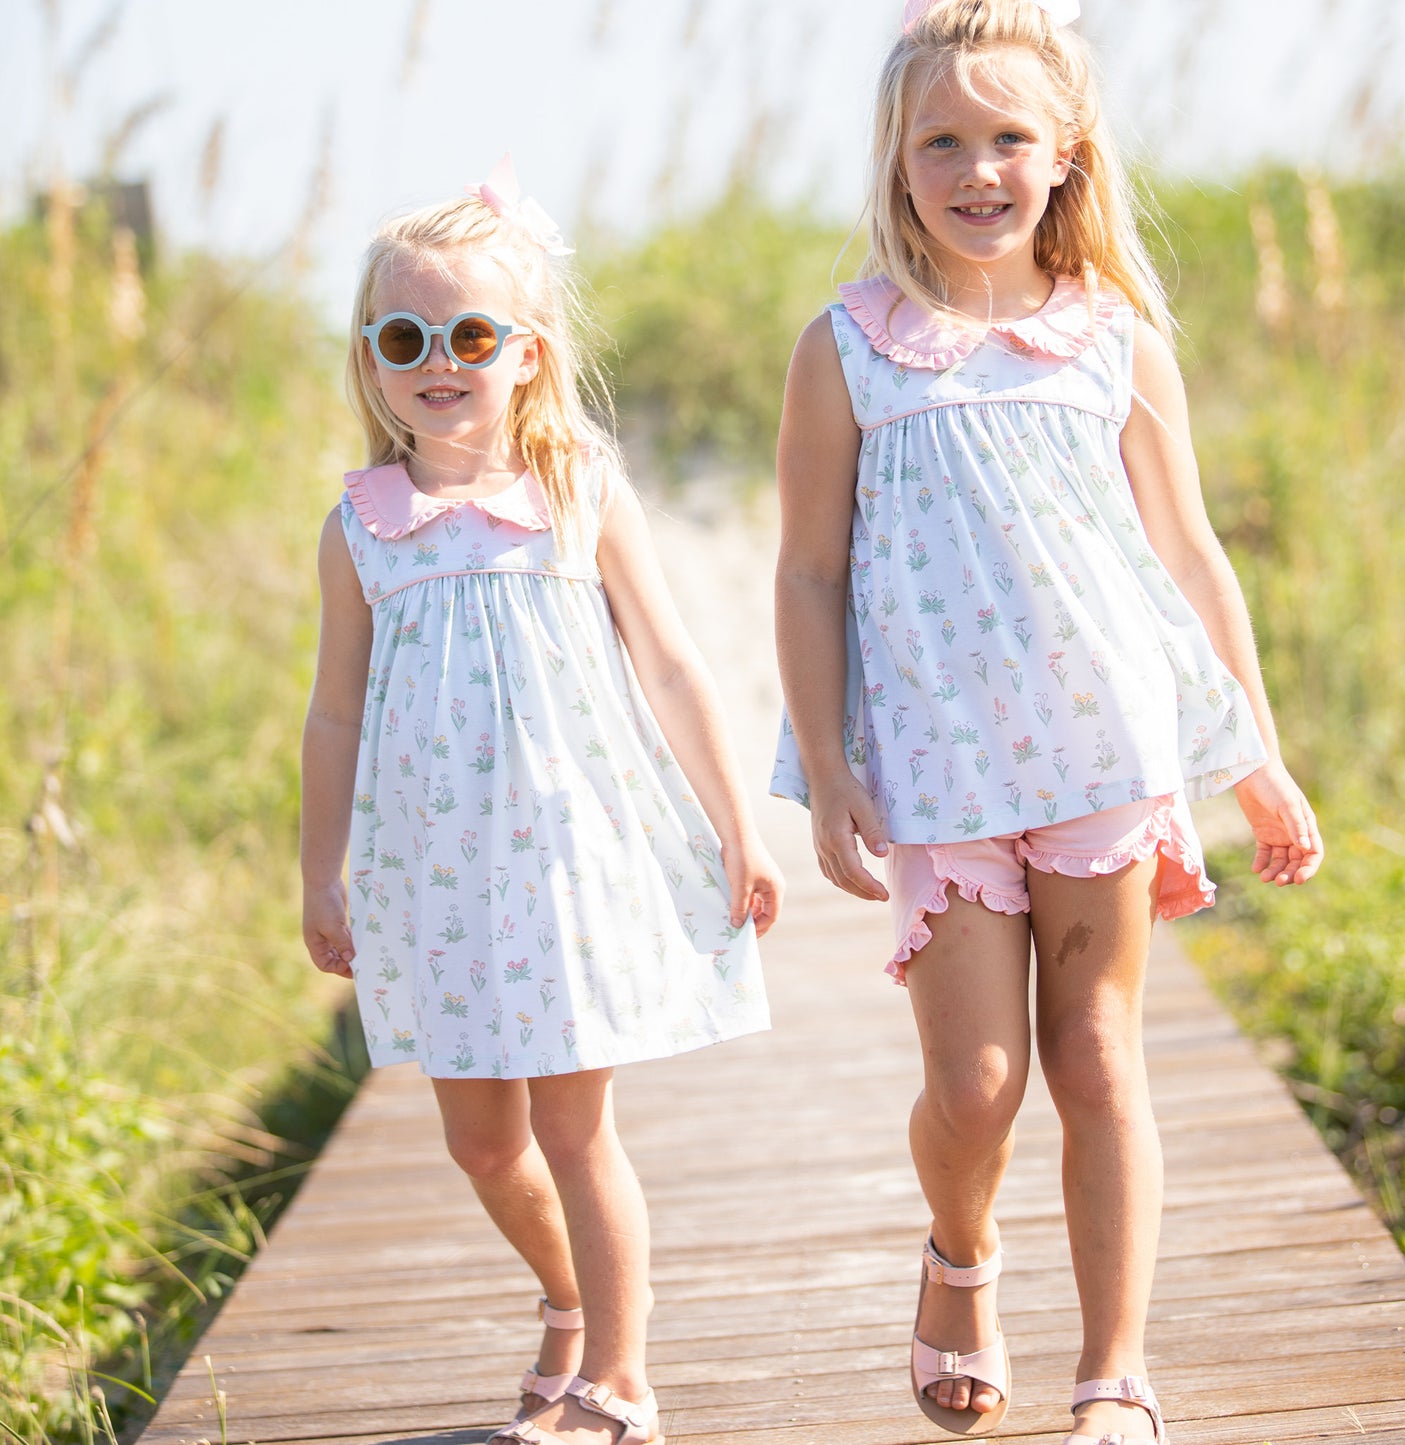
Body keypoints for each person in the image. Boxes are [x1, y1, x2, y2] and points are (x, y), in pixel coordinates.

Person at [771, 2, 1322, 1440]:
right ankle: (959, 1255)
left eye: (1008, 136)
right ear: (895, 163)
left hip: (1106, 748)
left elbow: (1191, 556)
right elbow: (810, 568)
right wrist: (827, 764)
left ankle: (1114, 1373)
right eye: (939, 141)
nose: (975, 169)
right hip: (943, 771)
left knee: (1093, 1057)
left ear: (1065, 153)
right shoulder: (849, 351)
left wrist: (1254, 757)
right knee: (979, 1082)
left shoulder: (1114, 340)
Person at [301, 158, 780, 1445]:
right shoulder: (362, 526)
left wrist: (737, 821)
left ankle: (620, 1376)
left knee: (576, 1129)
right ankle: (567, 1300)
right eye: (404, 336)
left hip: (566, 860)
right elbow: (334, 708)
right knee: (478, 1142)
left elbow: (672, 661)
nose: (437, 359)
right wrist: (318, 869)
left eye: (470, 333)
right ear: (370, 360)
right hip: (434, 874)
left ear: (528, 353)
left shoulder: (575, 489)